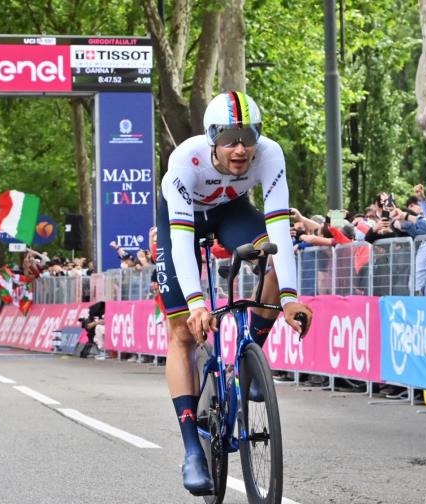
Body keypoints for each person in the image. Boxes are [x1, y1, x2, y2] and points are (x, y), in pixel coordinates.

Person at [156, 90, 313, 495]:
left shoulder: (270, 154)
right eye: (229, 138)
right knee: (182, 334)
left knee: (276, 254)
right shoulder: (184, 163)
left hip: (231, 212)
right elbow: (180, 242)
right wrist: (195, 303)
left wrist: (291, 296)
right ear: (212, 140)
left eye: (248, 136)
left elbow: (278, 224)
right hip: (184, 217)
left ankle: (249, 356)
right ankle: (193, 449)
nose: (240, 148)